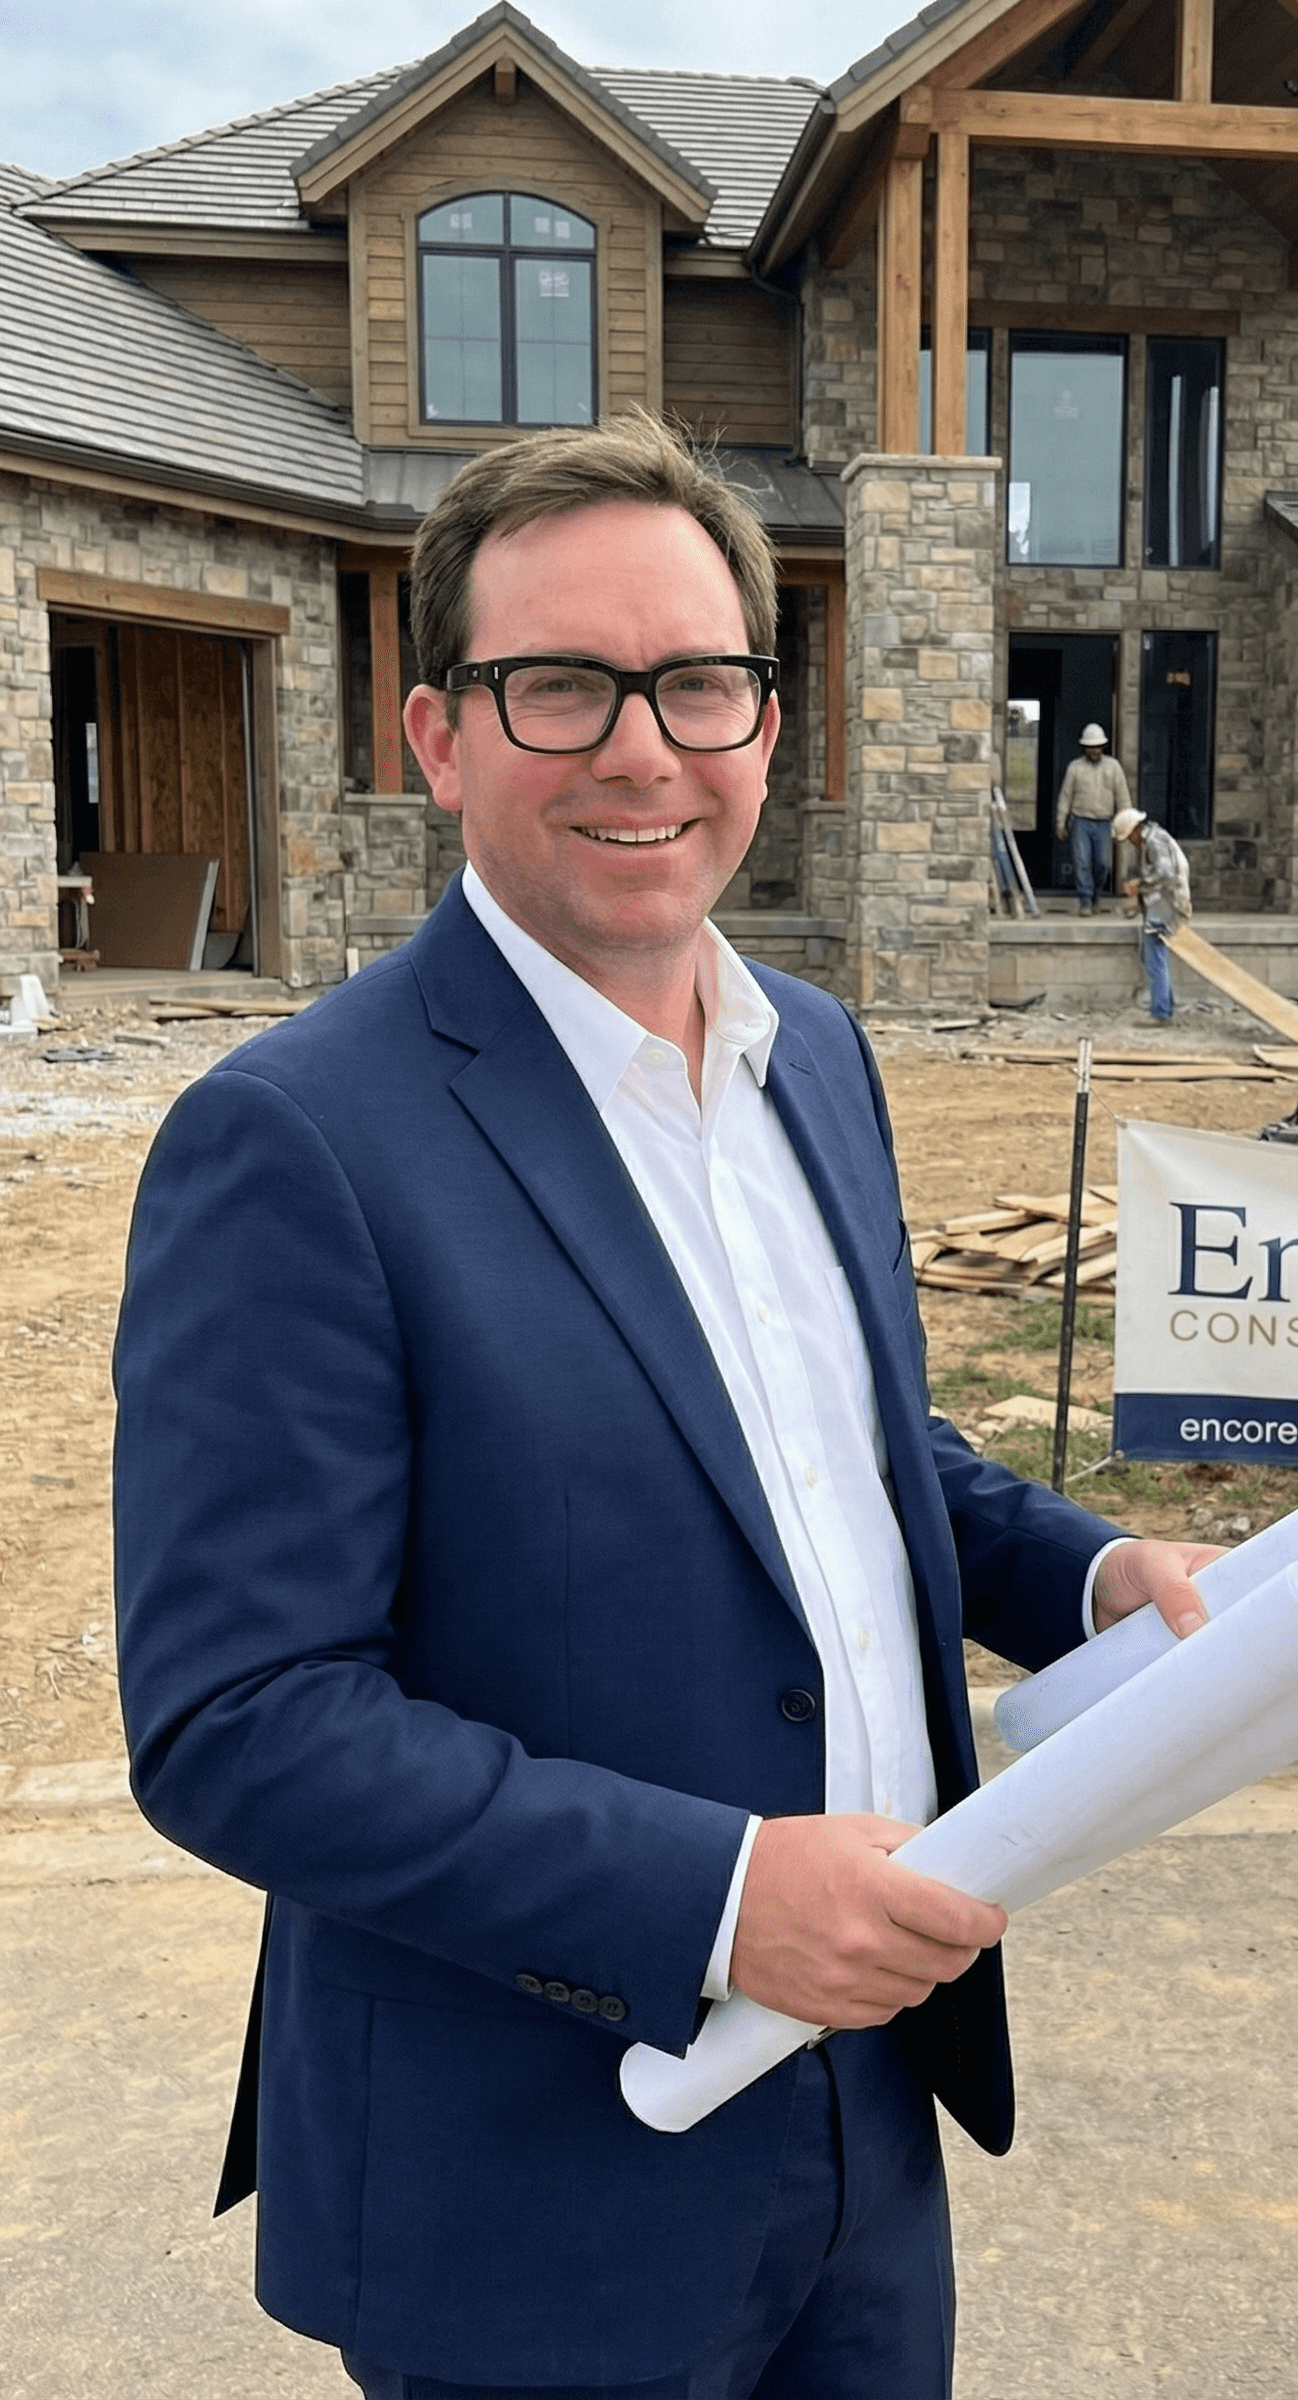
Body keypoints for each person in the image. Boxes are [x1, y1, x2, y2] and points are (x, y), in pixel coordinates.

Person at [112, 415, 1219, 2400]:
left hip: (865, 2111)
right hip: (527, 2182)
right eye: (561, 686)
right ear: (440, 735)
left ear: (764, 726)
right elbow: (239, 1722)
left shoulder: (818, 1059)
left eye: (699, 683)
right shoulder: (295, 1139)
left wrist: (1085, 1573)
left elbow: (843, 1452)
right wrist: (712, 1900)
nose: (643, 749)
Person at [1113, 804, 1191, 1023]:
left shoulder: (1155, 841)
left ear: (1134, 830)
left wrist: (1139, 885)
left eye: (1128, 837)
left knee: (1154, 956)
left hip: (1169, 904)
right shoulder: (1151, 840)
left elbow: (1165, 874)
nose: (1129, 842)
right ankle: (1165, 1006)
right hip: (1162, 903)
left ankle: (1161, 1012)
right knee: (1155, 956)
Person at [1054, 721, 1129, 914]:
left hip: (1104, 821)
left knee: (1103, 864)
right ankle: (1085, 900)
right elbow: (1065, 795)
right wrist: (1061, 821)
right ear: (1084, 747)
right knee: (1082, 862)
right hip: (1080, 820)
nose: (1095, 750)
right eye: (1091, 747)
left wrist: (1125, 825)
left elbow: (1122, 797)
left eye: (1097, 746)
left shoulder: (1113, 767)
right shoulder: (1075, 767)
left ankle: (1096, 894)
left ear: (1103, 746)